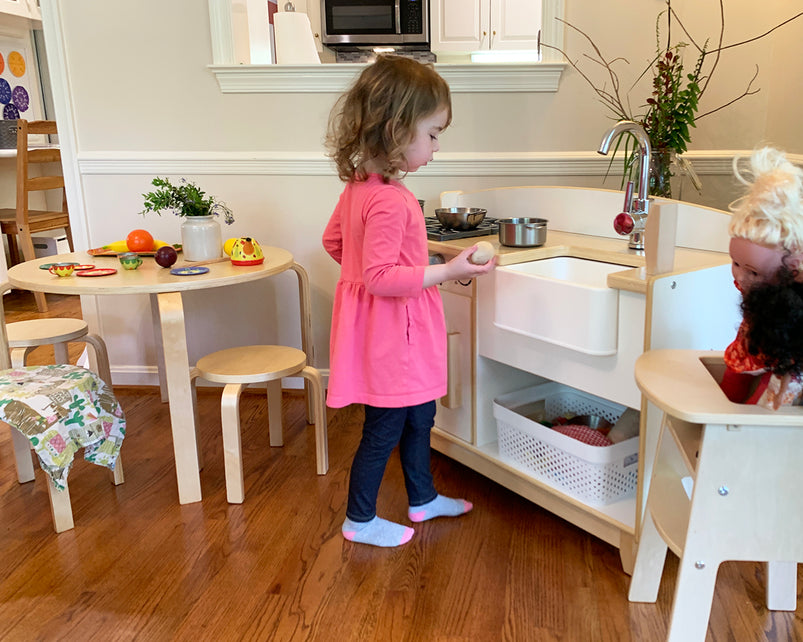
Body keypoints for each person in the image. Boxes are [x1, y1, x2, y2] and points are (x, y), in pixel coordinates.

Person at [322, 55, 496, 547]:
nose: (437, 147)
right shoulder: (391, 199)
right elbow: (379, 276)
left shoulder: (361, 188)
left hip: (396, 329)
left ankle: (421, 497)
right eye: (434, 134)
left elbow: (336, 244)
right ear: (397, 130)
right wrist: (450, 270)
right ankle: (359, 519)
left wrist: (376, 281)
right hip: (395, 336)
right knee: (385, 427)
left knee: (421, 414)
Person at [720, 146, 803, 408]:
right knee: (732, 379)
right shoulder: (761, 287)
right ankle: (722, 408)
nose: (740, 276)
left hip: (787, 352)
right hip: (755, 337)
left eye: (753, 271)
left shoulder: (794, 302)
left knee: (771, 399)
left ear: (793, 268)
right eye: (735, 263)